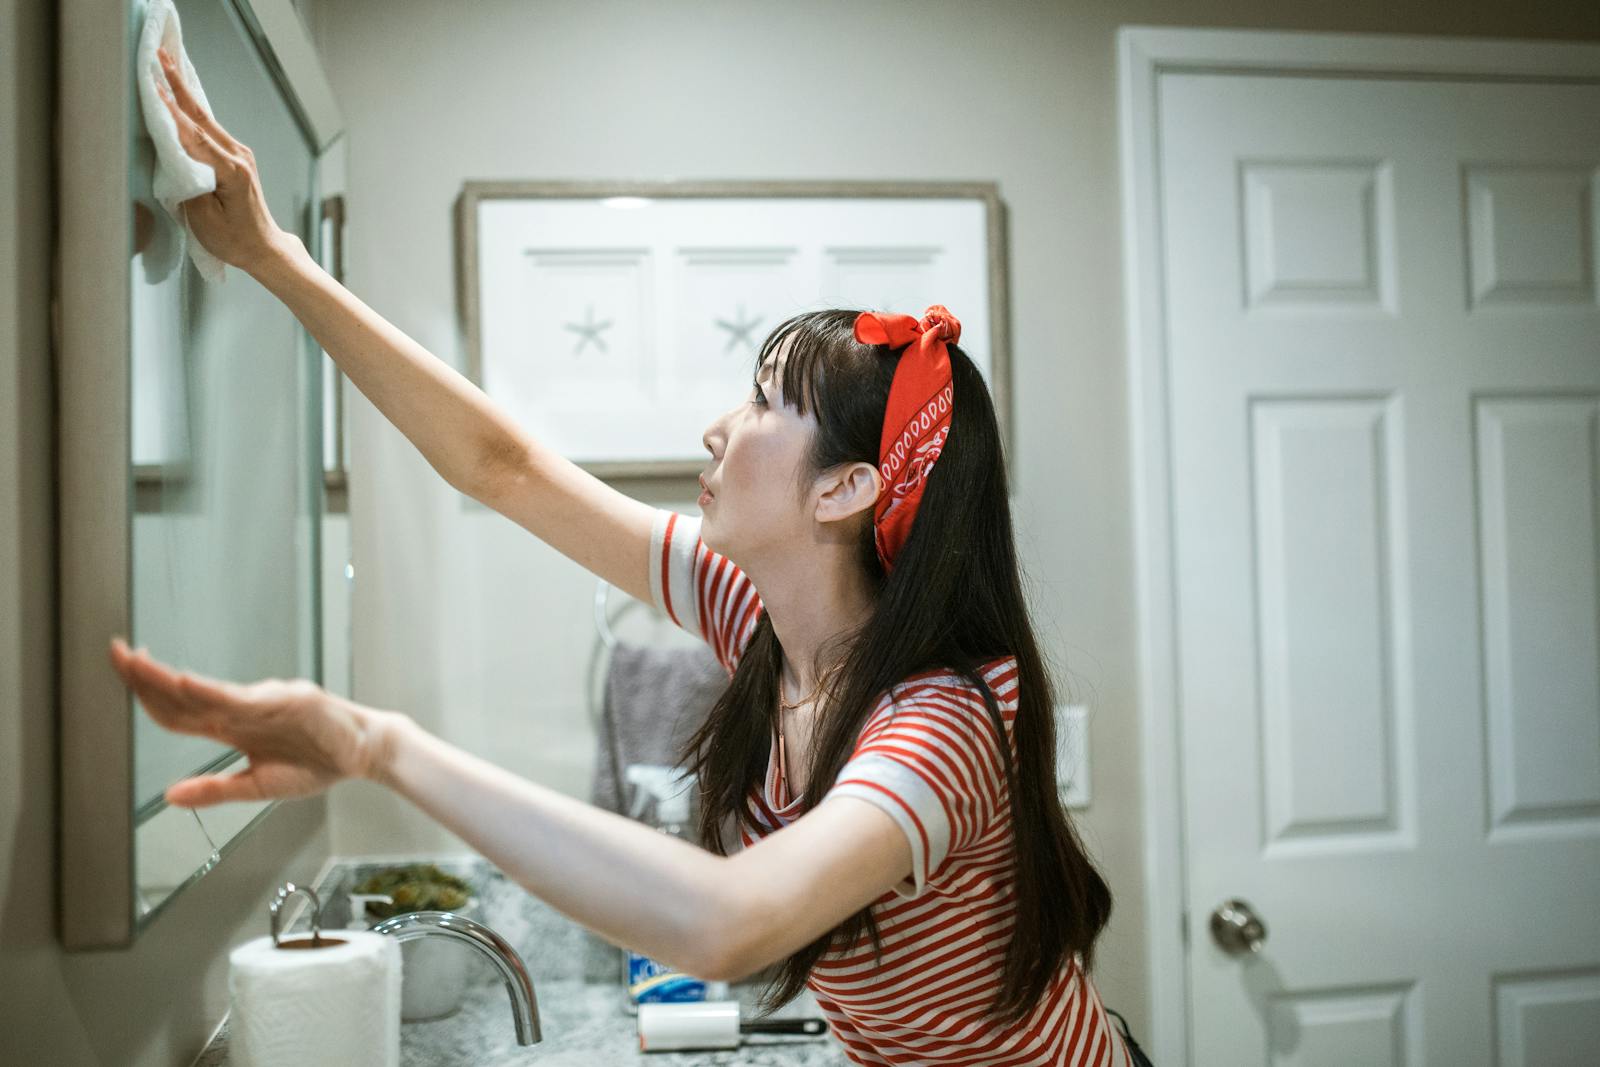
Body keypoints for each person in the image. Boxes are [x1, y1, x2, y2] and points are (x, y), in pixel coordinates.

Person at [113, 46, 1136, 1066]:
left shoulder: (942, 721)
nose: (715, 428)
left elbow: (728, 921)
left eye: (764, 404)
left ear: (843, 488)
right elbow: (501, 465)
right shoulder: (761, 618)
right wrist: (272, 256)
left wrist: (379, 744)